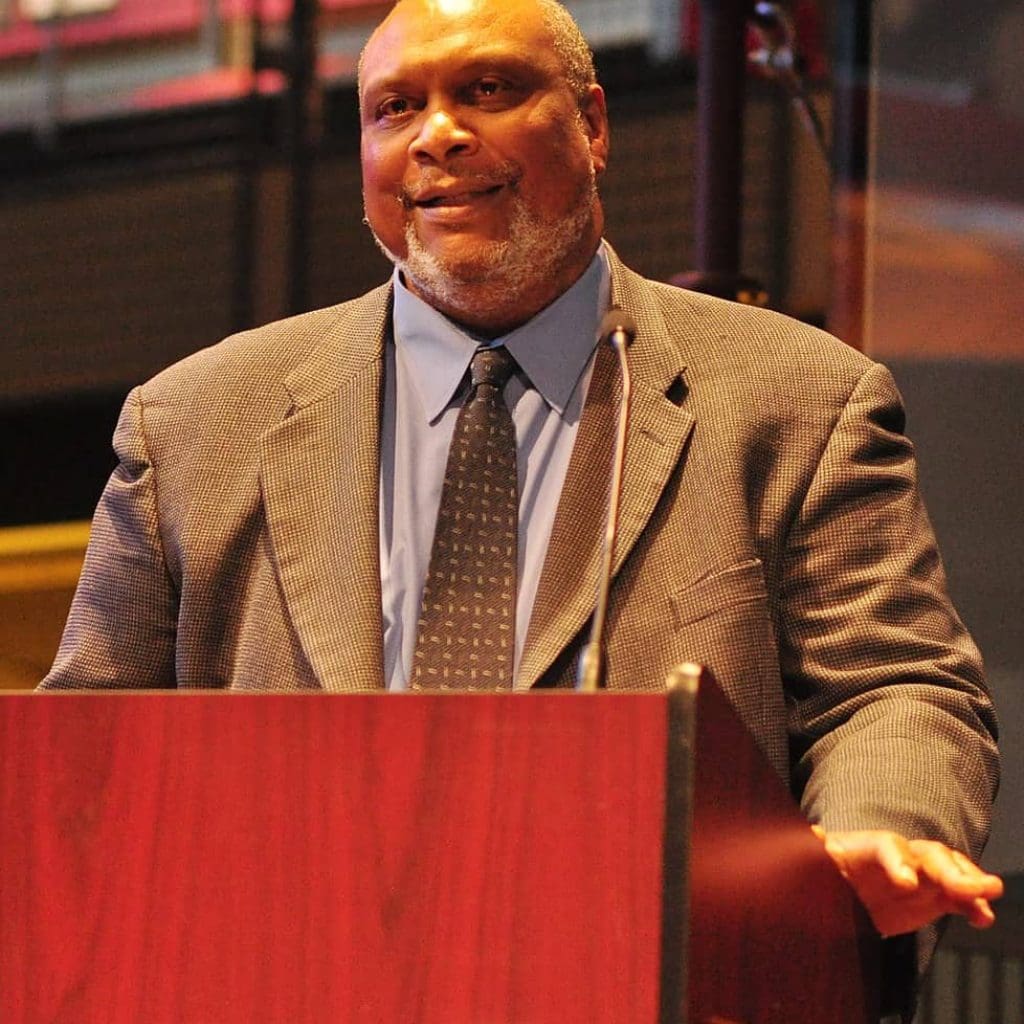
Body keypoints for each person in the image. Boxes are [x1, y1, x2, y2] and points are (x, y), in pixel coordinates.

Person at [42, 0, 1000, 965]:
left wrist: (877, 832)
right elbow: (81, 762)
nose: (440, 136)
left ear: (592, 124)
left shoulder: (797, 399)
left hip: (648, 969)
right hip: (283, 970)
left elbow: (893, 688)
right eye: (395, 109)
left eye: (489, 90)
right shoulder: (196, 424)